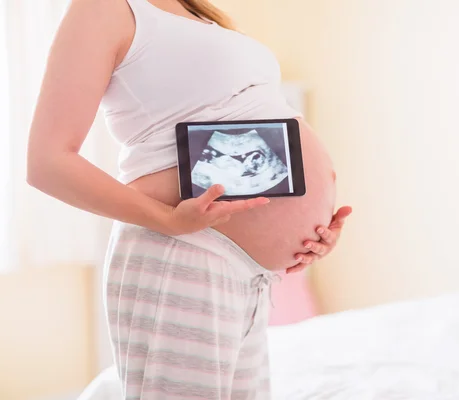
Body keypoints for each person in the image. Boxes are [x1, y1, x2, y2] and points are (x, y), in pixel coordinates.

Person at [26, 0, 352, 398]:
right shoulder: (104, 7)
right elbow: (48, 162)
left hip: (247, 274)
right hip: (181, 251)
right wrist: (168, 221)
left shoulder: (195, 13)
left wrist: (304, 233)